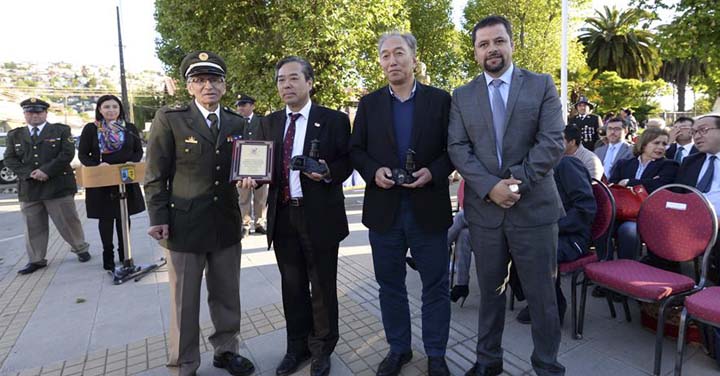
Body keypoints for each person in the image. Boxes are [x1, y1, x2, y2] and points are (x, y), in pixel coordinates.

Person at [447, 15, 566, 376]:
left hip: (534, 210)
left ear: (512, 45)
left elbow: (552, 142)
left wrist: (514, 183)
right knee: (491, 295)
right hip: (484, 213)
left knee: (542, 297)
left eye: (498, 41)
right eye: (483, 44)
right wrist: (489, 187)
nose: (491, 49)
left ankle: (546, 366)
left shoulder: (541, 85)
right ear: (475, 52)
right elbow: (458, 147)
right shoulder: (462, 95)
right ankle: (488, 361)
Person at [144, 51, 255, 376]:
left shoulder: (236, 121)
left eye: (214, 80)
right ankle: (184, 363)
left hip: (225, 223)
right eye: (200, 80)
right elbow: (154, 173)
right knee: (184, 302)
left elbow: (243, 166)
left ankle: (226, 351)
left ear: (224, 85)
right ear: (189, 86)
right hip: (185, 225)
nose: (208, 86)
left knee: (226, 295)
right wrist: (158, 217)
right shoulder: (171, 118)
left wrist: (251, 176)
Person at [350, 31, 454, 376]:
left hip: (428, 207)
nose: (391, 61)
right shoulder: (369, 104)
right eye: (384, 55)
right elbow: (356, 150)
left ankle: (436, 353)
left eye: (398, 53)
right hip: (385, 210)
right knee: (390, 285)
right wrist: (373, 170)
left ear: (413, 57)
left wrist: (434, 172)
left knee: (436, 285)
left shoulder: (441, 101)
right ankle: (399, 348)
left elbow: (453, 150)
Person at [241, 56, 351, 376]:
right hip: (284, 215)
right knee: (292, 288)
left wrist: (329, 171)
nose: (286, 85)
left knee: (322, 288)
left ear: (309, 82)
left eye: (292, 79)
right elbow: (261, 163)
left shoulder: (333, 120)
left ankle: (322, 349)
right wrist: (252, 176)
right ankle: (296, 347)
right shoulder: (270, 122)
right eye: (280, 80)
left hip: (320, 217)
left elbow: (348, 161)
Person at [3, 98, 90, 275]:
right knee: (33, 226)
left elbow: (67, 154)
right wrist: (29, 173)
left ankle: (80, 248)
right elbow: (9, 159)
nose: (34, 115)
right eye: (30, 112)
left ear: (45, 113)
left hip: (57, 185)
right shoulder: (15, 135)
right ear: (25, 114)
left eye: (38, 112)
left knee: (67, 221)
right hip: (29, 187)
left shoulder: (60, 130)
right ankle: (36, 259)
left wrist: (46, 171)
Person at [513, 156, 596, 324]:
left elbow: (586, 208)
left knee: (538, 251)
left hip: (572, 236)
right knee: (510, 243)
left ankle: (554, 304)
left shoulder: (566, 164)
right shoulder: (530, 167)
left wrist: (553, 227)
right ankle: (534, 297)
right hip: (543, 230)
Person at [78, 95, 145, 271]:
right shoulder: (91, 129)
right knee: (106, 219)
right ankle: (108, 254)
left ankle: (125, 252)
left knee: (124, 217)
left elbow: (138, 150)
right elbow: (83, 155)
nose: (111, 110)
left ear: (120, 109)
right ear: (100, 109)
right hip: (102, 179)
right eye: (106, 107)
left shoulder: (129, 128)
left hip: (125, 178)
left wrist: (132, 161)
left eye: (115, 107)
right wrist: (98, 165)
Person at [608, 127, 678, 260]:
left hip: (650, 214)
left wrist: (629, 182)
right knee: (600, 224)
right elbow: (613, 185)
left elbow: (660, 186)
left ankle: (627, 267)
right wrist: (648, 182)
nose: (661, 147)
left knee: (629, 230)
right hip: (621, 211)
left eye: (664, 144)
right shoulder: (624, 163)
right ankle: (605, 262)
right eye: (656, 143)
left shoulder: (670, 165)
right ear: (644, 143)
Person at [235, 94, 268, 237]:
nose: (240, 107)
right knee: (243, 196)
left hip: (260, 165)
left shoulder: (262, 121)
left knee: (261, 197)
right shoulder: (235, 122)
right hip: (242, 166)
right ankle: (245, 224)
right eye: (239, 105)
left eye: (244, 104)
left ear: (252, 106)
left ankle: (260, 223)